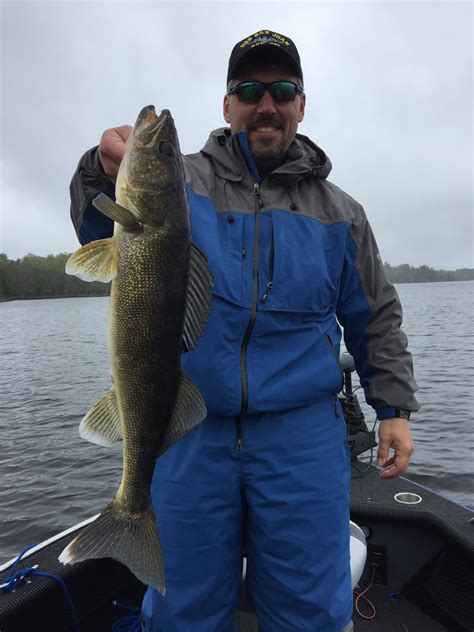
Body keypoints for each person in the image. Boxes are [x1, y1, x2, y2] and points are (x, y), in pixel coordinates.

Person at [70, 29, 418, 632]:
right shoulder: (177, 182)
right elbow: (94, 226)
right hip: (188, 431)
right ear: (227, 104)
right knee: (183, 611)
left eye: (282, 89)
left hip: (302, 439)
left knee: (310, 612)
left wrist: (393, 407)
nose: (266, 103)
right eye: (249, 89)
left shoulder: (342, 213)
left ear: (301, 104)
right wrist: (100, 175)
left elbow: (375, 314)